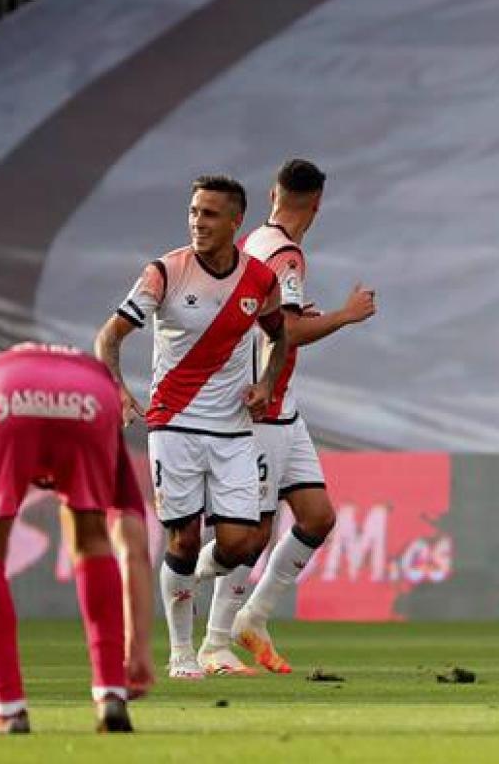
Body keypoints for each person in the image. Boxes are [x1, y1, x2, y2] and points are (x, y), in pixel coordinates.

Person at [94, 175, 289, 679]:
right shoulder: (166, 271)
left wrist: (266, 381)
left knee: (244, 542)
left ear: (235, 221)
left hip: (233, 428)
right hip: (174, 425)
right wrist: (117, 388)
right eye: (194, 212)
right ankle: (182, 653)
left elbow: (279, 338)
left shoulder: (259, 281)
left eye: (209, 214)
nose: (197, 222)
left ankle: (193, 577)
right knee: (180, 539)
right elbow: (109, 337)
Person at [192, 158, 377, 674]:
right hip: (260, 406)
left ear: (274, 193)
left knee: (318, 517)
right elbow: (288, 332)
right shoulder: (287, 257)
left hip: (281, 406)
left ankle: (254, 616)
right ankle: (211, 636)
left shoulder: (255, 241)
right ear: (317, 204)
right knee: (253, 532)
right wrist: (345, 315)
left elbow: (268, 318)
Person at [0, 342, 137, 734]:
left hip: (7, 393)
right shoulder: (96, 393)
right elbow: (134, 541)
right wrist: (138, 649)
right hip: (91, 396)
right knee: (93, 539)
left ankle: (8, 709)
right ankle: (111, 696)